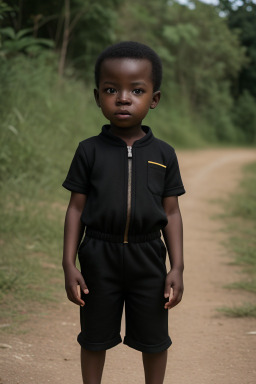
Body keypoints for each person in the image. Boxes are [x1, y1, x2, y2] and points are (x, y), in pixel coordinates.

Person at [62, 41, 185, 384]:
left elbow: (171, 213)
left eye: (137, 90)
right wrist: (68, 264)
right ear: (97, 95)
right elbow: (75, 208)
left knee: (155, 338)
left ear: (154, 99)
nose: (123, 98)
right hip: (98, 254)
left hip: (148, 257)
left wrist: (177, 266)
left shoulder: (164, 153)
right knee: (93, 336)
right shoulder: (89, 151)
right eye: (111, 89)